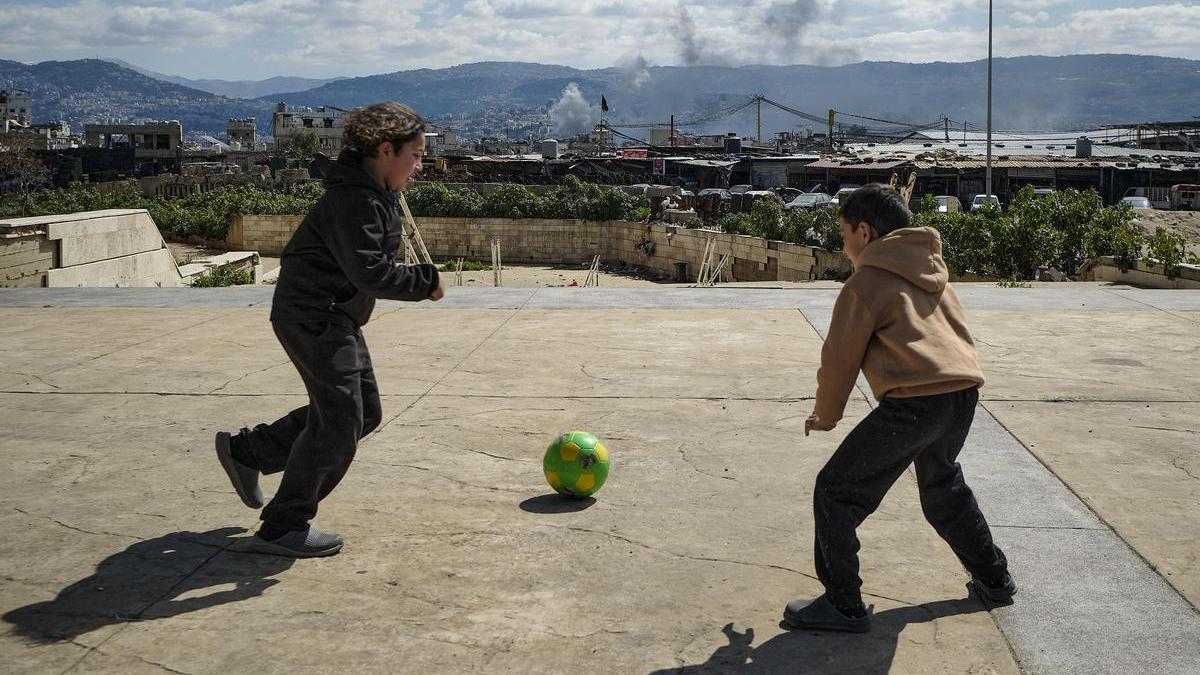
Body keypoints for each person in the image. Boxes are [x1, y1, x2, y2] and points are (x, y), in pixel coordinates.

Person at [214, 102, 442, 558]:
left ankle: (250, 453)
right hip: (313, 314)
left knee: (364, 413)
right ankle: (284, 525)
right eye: (414, 155)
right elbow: (370, 273)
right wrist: (425, 282)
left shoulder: (372, 192)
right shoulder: (354, 199)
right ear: (384, 149)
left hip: (333, 316)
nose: (419, 166)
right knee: (339, 421)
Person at [784, 184, 1015, 632]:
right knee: (943, 488)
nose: (843, 244)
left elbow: (839, 358)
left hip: (915, 403)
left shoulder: (865, 282)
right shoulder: (934, 273)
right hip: (962, 394)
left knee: (836, 491)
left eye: (844, 233)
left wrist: (826, 415)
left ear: (865, 233)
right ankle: (994, 578)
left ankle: (843, 605)